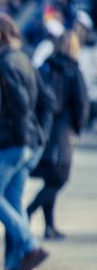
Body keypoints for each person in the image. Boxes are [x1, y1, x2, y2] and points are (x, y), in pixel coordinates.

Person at [0, 13, 49, 270]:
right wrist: (38, 134)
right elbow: (47, 100)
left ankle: (31, 246)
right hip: (27, 142)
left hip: (14, 143)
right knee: (11, 201)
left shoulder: (6, 63)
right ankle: (16, 263)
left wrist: (24, 135)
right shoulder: (22, 58)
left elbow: (20, 105)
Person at [27, 31, 90, 238]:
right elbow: (81, 104)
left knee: (51, 178)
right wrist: (78, 128)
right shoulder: (73, 71)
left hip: (46, 127)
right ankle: (29, 212)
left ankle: (49, 225)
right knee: (59, 178)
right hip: (63, 130)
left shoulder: (46, 66)